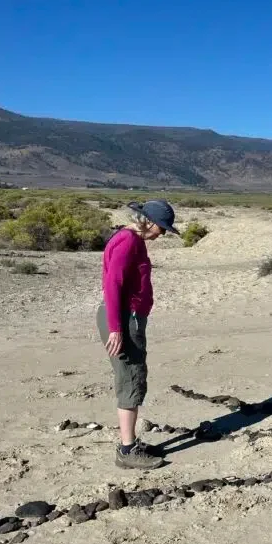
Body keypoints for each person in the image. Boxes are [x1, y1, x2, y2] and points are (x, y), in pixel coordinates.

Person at [96, 199, 179, 470]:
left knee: (132, 376)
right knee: (131, 379)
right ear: (149, 222)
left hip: (127, 317)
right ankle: (127, 450)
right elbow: (113, 284)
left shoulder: (129, 239)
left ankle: (129, 443)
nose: (162, 233)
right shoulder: (129, 241)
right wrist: (116, 328)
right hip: (123, 318)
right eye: (162, 228)